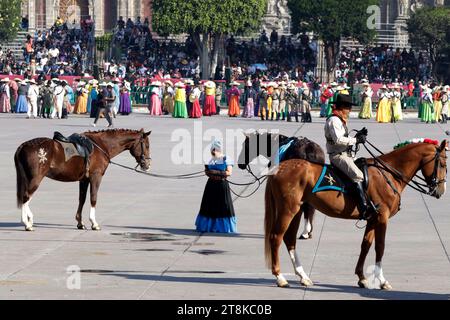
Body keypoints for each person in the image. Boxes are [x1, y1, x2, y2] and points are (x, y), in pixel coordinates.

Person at [324, 94, 369, 220]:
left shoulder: (340, 119)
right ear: (342, 107)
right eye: (348, 107)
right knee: (358, 175)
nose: (350, 110)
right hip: (338, 156)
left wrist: (357, 136)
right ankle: (363, 208)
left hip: (346, 154)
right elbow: (338, 140)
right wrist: (355, 140)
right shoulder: (334, 120)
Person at [195, 140, 237, 233]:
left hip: (222, 185)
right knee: (209, 206)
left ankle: (223, 227)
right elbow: (206, 171)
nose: (213, 151)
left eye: (215, 149)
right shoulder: (210, 160)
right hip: (211, 186)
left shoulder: (226, 158)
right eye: (212, 150)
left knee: (223, 206)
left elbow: (229, 172)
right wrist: (209, 173)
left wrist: (216, 172)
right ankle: (208, 226)